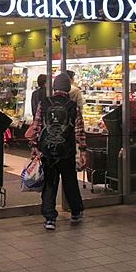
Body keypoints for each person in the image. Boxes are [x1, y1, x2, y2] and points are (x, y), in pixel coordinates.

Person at [30, 73, 87, 230]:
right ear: (68, 88)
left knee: (50, 183)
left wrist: (34, 147)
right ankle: (75, 212)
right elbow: (79, 132)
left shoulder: (44, 103)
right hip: (66, 151)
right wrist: (83, 151)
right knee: (70, 182)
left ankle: (50, 218)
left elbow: (36, 127)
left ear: (54, 87)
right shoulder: (72, 106)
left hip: (48, 151)